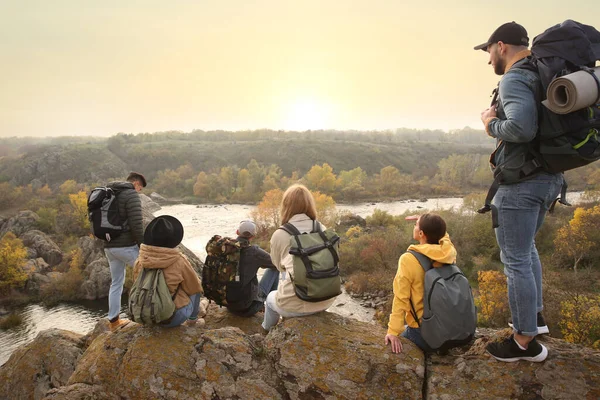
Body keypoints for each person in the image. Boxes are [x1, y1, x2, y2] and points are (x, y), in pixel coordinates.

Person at [475, 22, 563, 362]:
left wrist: (489, 124)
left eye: (488, 52)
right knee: (526, 252)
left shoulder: (514, 77)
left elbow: (521, 128)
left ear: (501, 46)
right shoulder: (541, 72)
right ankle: (535, 319)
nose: (488, 61)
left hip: (523, 185)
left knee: (515, 260)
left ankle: (523, 341)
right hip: (547, 179)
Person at [261, 184, 338, 331]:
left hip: (296, 306)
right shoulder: (322, 228)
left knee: (271, 297)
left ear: (285, 206)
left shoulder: (280, 234)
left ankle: (266, 332)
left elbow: (278, 266)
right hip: (326, 300)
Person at [384, 214, 457, 353]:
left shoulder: (409, 259)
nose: (414, 226)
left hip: (424, 334)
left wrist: (393, 331)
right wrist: (430, 222)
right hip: (449, 327)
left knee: (402, 335)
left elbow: (401, 298)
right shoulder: (449, 253)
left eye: (416, 225)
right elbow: (443, 236)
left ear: (421, 233)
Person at [133, 215, 203, 327]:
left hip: (144, 315)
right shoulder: (179, 260)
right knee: (195, 287)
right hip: (171, 318)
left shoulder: (140, 260)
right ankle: (193, 320)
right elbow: (194, 288)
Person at [104, 172, 146, 331]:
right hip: (126, 247)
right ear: (135, 183)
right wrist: (144, 246)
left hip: (109, 247)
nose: (139, 192)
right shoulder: (131, 195)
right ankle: (146, 316)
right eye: (140, 188)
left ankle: (114, 322)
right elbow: (137, 225)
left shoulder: (109, 193)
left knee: (116, 283)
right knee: (147, 277)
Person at [226, 220, 279, 317]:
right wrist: (261, 263)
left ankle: (268, 305)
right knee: (275, 269)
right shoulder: (254, 252)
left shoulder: (226, 248)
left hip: (228, 306)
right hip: (248, 308)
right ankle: (271, 306)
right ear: (253, 236)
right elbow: (277, 263)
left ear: (237, 232)